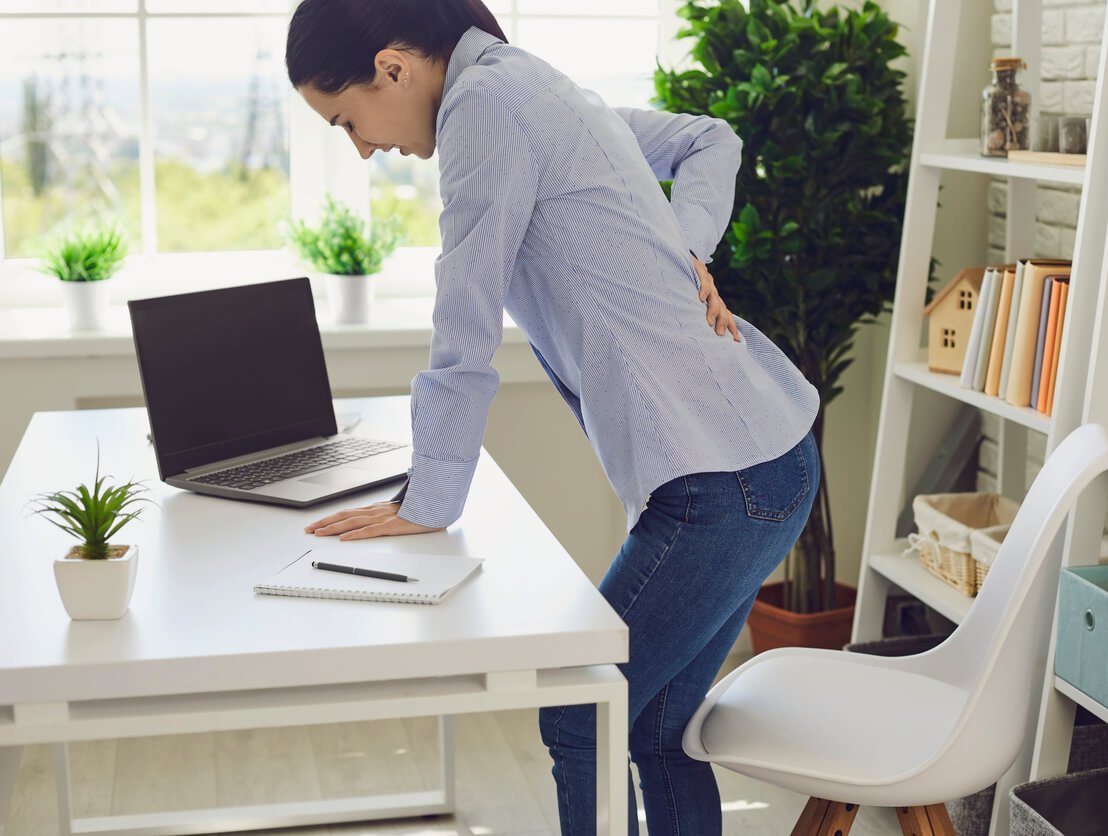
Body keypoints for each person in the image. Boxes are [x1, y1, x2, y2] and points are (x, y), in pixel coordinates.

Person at [287, 1, 820, 832]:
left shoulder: (485, 109)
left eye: (347, 120)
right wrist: (686, 249)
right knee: (655, 727)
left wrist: (425, 503)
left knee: (582, 712)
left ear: (392, 67)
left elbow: (463, 322)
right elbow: (710, 137)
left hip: (724, 486)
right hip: (764, 462)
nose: (360, 148)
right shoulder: (530, 83)